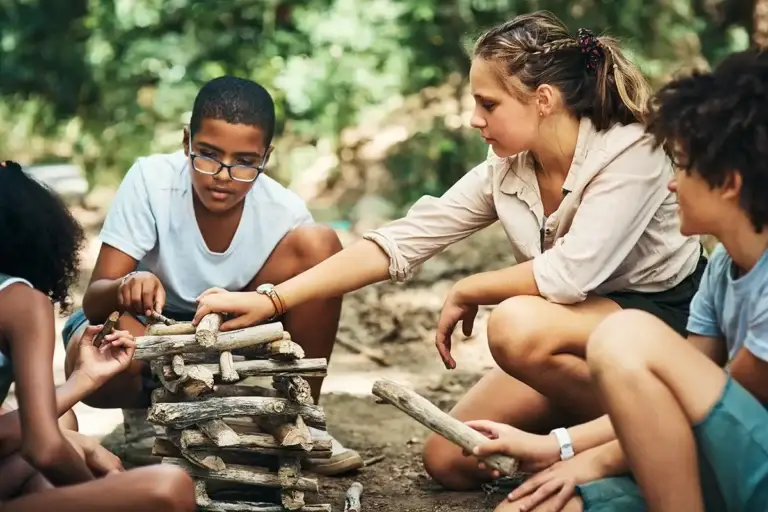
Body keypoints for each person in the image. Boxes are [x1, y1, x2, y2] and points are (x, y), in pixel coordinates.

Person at [192, 10, 704, 491]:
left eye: (489, 104)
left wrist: (470, 287)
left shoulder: (630, 150)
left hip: (660, 323)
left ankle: (665, 437)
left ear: (543, 99)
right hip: (572, 339)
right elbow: (403, 239)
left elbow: (570, 274)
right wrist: (273, 300)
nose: (475, 119)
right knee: (453, 458)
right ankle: (600, 439)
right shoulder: (508, 167)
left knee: (514, 325)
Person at [466, 48, 768, 512]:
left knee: (624, 335)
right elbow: (672, 404)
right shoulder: (724, 268)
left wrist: (581, 458)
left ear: (728, 183)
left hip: (751, 467)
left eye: (683, 166)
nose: (672, 182)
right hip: (717, 460)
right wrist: (557, 448)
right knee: (533, 508)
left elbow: (707, 418)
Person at [60, 76, 362, 475]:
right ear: (187, 141)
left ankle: (299, 416)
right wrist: (124, 286)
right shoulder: (151, 181)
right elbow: (94, 302)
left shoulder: (283, 211)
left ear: (265, 157)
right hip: (145, 329)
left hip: (225, 330)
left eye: (245, 162)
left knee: (321, 245)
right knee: (90, 341)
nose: (222, 174)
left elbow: (302, 296)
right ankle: (145, 422)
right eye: (207, 154)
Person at [0, 160, 196, 511]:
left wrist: (83, 381)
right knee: (169, 488)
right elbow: (41, 446)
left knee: (65, 428)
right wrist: (104, 490)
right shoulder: (18, 300)